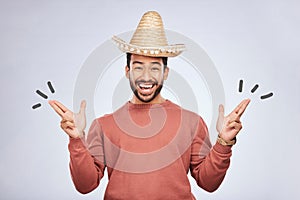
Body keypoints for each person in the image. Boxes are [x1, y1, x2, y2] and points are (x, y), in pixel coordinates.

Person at [49, 11, 250, 200]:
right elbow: (86, 186)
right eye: (138, 67)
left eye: (155, 68)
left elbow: (208, 183)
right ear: (127, 71)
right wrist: (76, 139)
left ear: (165, 73)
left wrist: (223, 142)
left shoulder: (191, 122)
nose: (146, 76)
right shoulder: (104, 126)